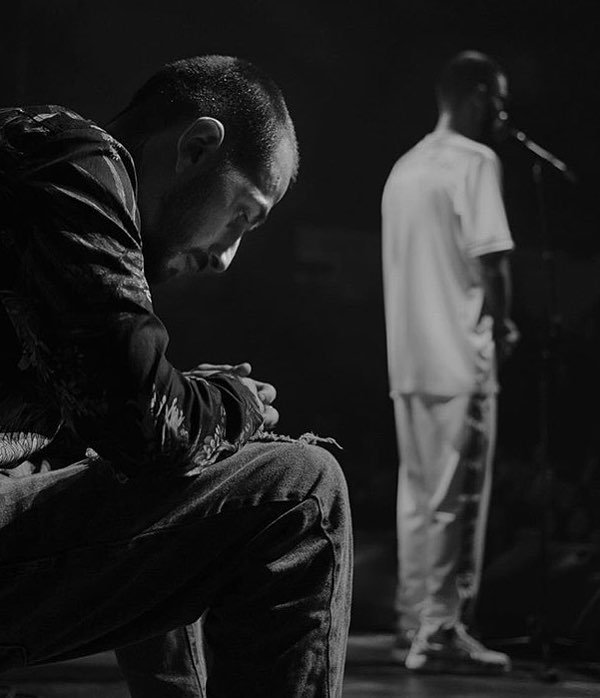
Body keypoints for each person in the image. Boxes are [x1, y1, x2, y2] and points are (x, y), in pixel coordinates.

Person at [0, 55, 352, 697]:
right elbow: (143, 426)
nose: (226, 258)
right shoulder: (73, 158)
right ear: (196, 148)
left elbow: (121, 417)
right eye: (242, 214)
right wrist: (232, 403)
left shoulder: (36, 170)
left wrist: (186, 407)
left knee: (163, 468)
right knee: (302, 491)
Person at [381, 50, 518, 674]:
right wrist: (505, 324)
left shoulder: (404, 167)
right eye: (499, 98)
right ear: (478, 93)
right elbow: (492, 259)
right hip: (460, 356)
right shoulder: (475, 161)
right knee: (456, 502)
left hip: (408, 359)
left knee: (418, 497)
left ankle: (414, 620)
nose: (502, 112)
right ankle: (440, 631)